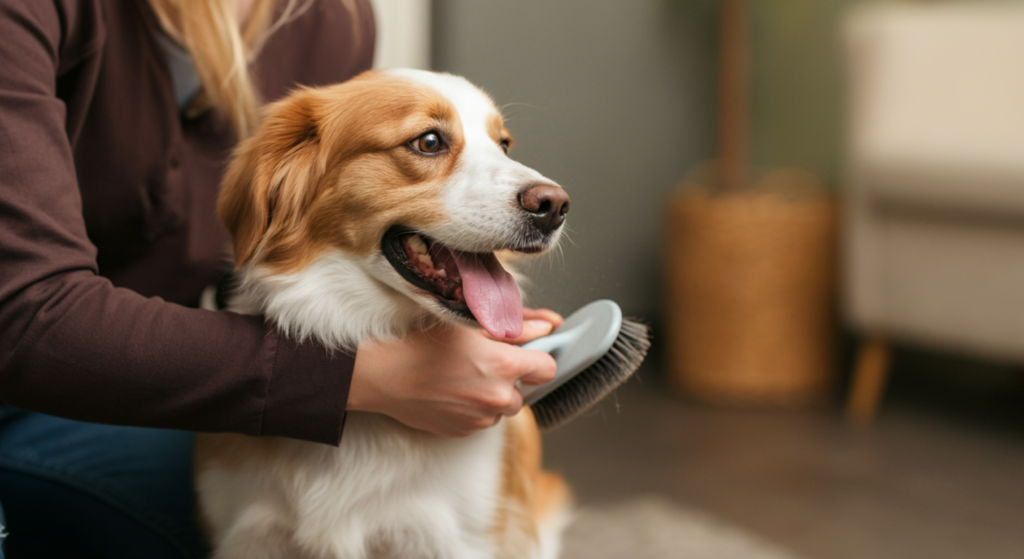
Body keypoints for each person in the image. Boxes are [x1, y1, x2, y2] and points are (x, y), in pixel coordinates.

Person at [0, 0, 560, 557]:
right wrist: (366, 377)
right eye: (430, 142)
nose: (532, 184)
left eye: (500, 143)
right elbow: (26, 313)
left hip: (141, 376)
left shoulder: (332, 17)